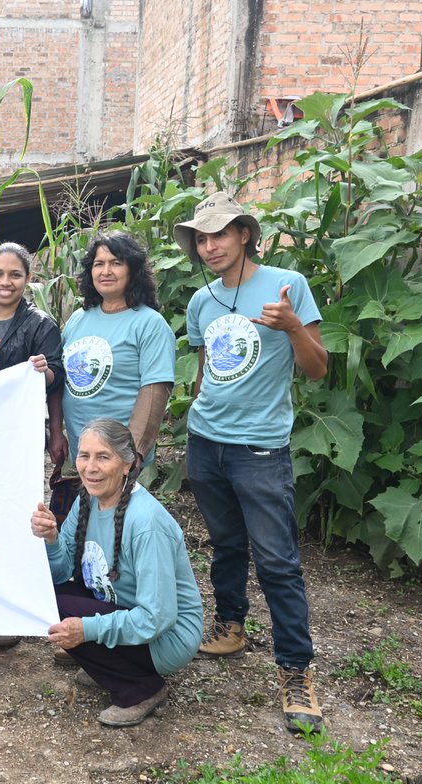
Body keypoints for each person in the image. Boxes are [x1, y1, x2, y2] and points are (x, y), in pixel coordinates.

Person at [173, 192, 328, 733]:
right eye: (201, 237)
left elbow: (317, 369)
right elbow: (205, 370)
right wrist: (196, 419)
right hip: (205, 441)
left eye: (220, 234)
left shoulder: (288, 285)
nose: (209, 245)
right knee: (226, 544)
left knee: (278, 560)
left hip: (261, 448)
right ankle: (231, 624)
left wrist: (290, 327)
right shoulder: (201, 301)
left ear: (244, 234)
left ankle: (296, 671)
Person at [30, 419, 203, 728]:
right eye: (84, 456)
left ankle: (140, 689)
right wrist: (52, 539)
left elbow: (157, 617)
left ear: (127, 464)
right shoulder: (87, 499)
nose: (90, 467)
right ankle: (111, 664)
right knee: (45, 596)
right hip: (124, 608)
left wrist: (87, 631)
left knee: (67, 613)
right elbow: (57, 575)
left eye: (103, 457)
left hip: (168, 636)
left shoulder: (146, 523)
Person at [0, 242, 65, 651]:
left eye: (15, 275)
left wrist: (44, 375)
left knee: (15, 515)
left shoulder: (40, 324)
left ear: (27, 279)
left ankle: (12, 608)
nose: (6, 282)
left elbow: (56, 379)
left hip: (16, 440)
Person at [59, 232, 175, 468]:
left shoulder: (149, 323)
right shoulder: (78, 319)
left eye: (116, 263)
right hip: (81, 452)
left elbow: (155, 390)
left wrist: (134, 454)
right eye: (99, 264)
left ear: (132, 270)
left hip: (121, 457)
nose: (106, 271)